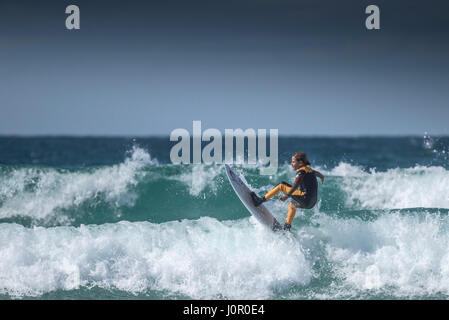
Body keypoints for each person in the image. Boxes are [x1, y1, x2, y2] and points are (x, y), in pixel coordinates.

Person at [251, 151, 324, 231]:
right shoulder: (309, 170)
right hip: (311, 203)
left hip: (305, 198)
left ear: (300, 162)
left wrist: (286, 196)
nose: (291, 164)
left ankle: (259, 200)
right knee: (293, 204)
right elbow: (317, 173)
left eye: (293, 162)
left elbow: (295, 185)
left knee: (282, 185)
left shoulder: (301, 172)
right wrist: (322, 177)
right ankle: (287, 226)